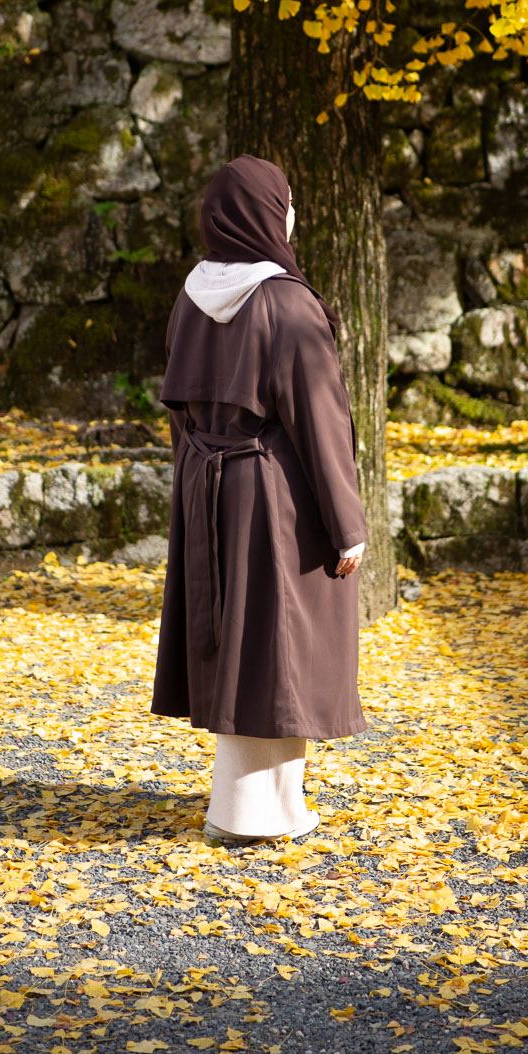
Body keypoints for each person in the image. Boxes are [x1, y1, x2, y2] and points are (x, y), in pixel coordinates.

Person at [150, 154, 367, 845]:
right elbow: (321, 421)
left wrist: (198, 472)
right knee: (278, 648)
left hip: (207, 484)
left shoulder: (191, 296)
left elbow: (179, 407)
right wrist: (347, 524)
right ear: (269, 215)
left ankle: (262, 804)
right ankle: (256, 814)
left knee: (241, 645)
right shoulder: (286, 303)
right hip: (275, 495)